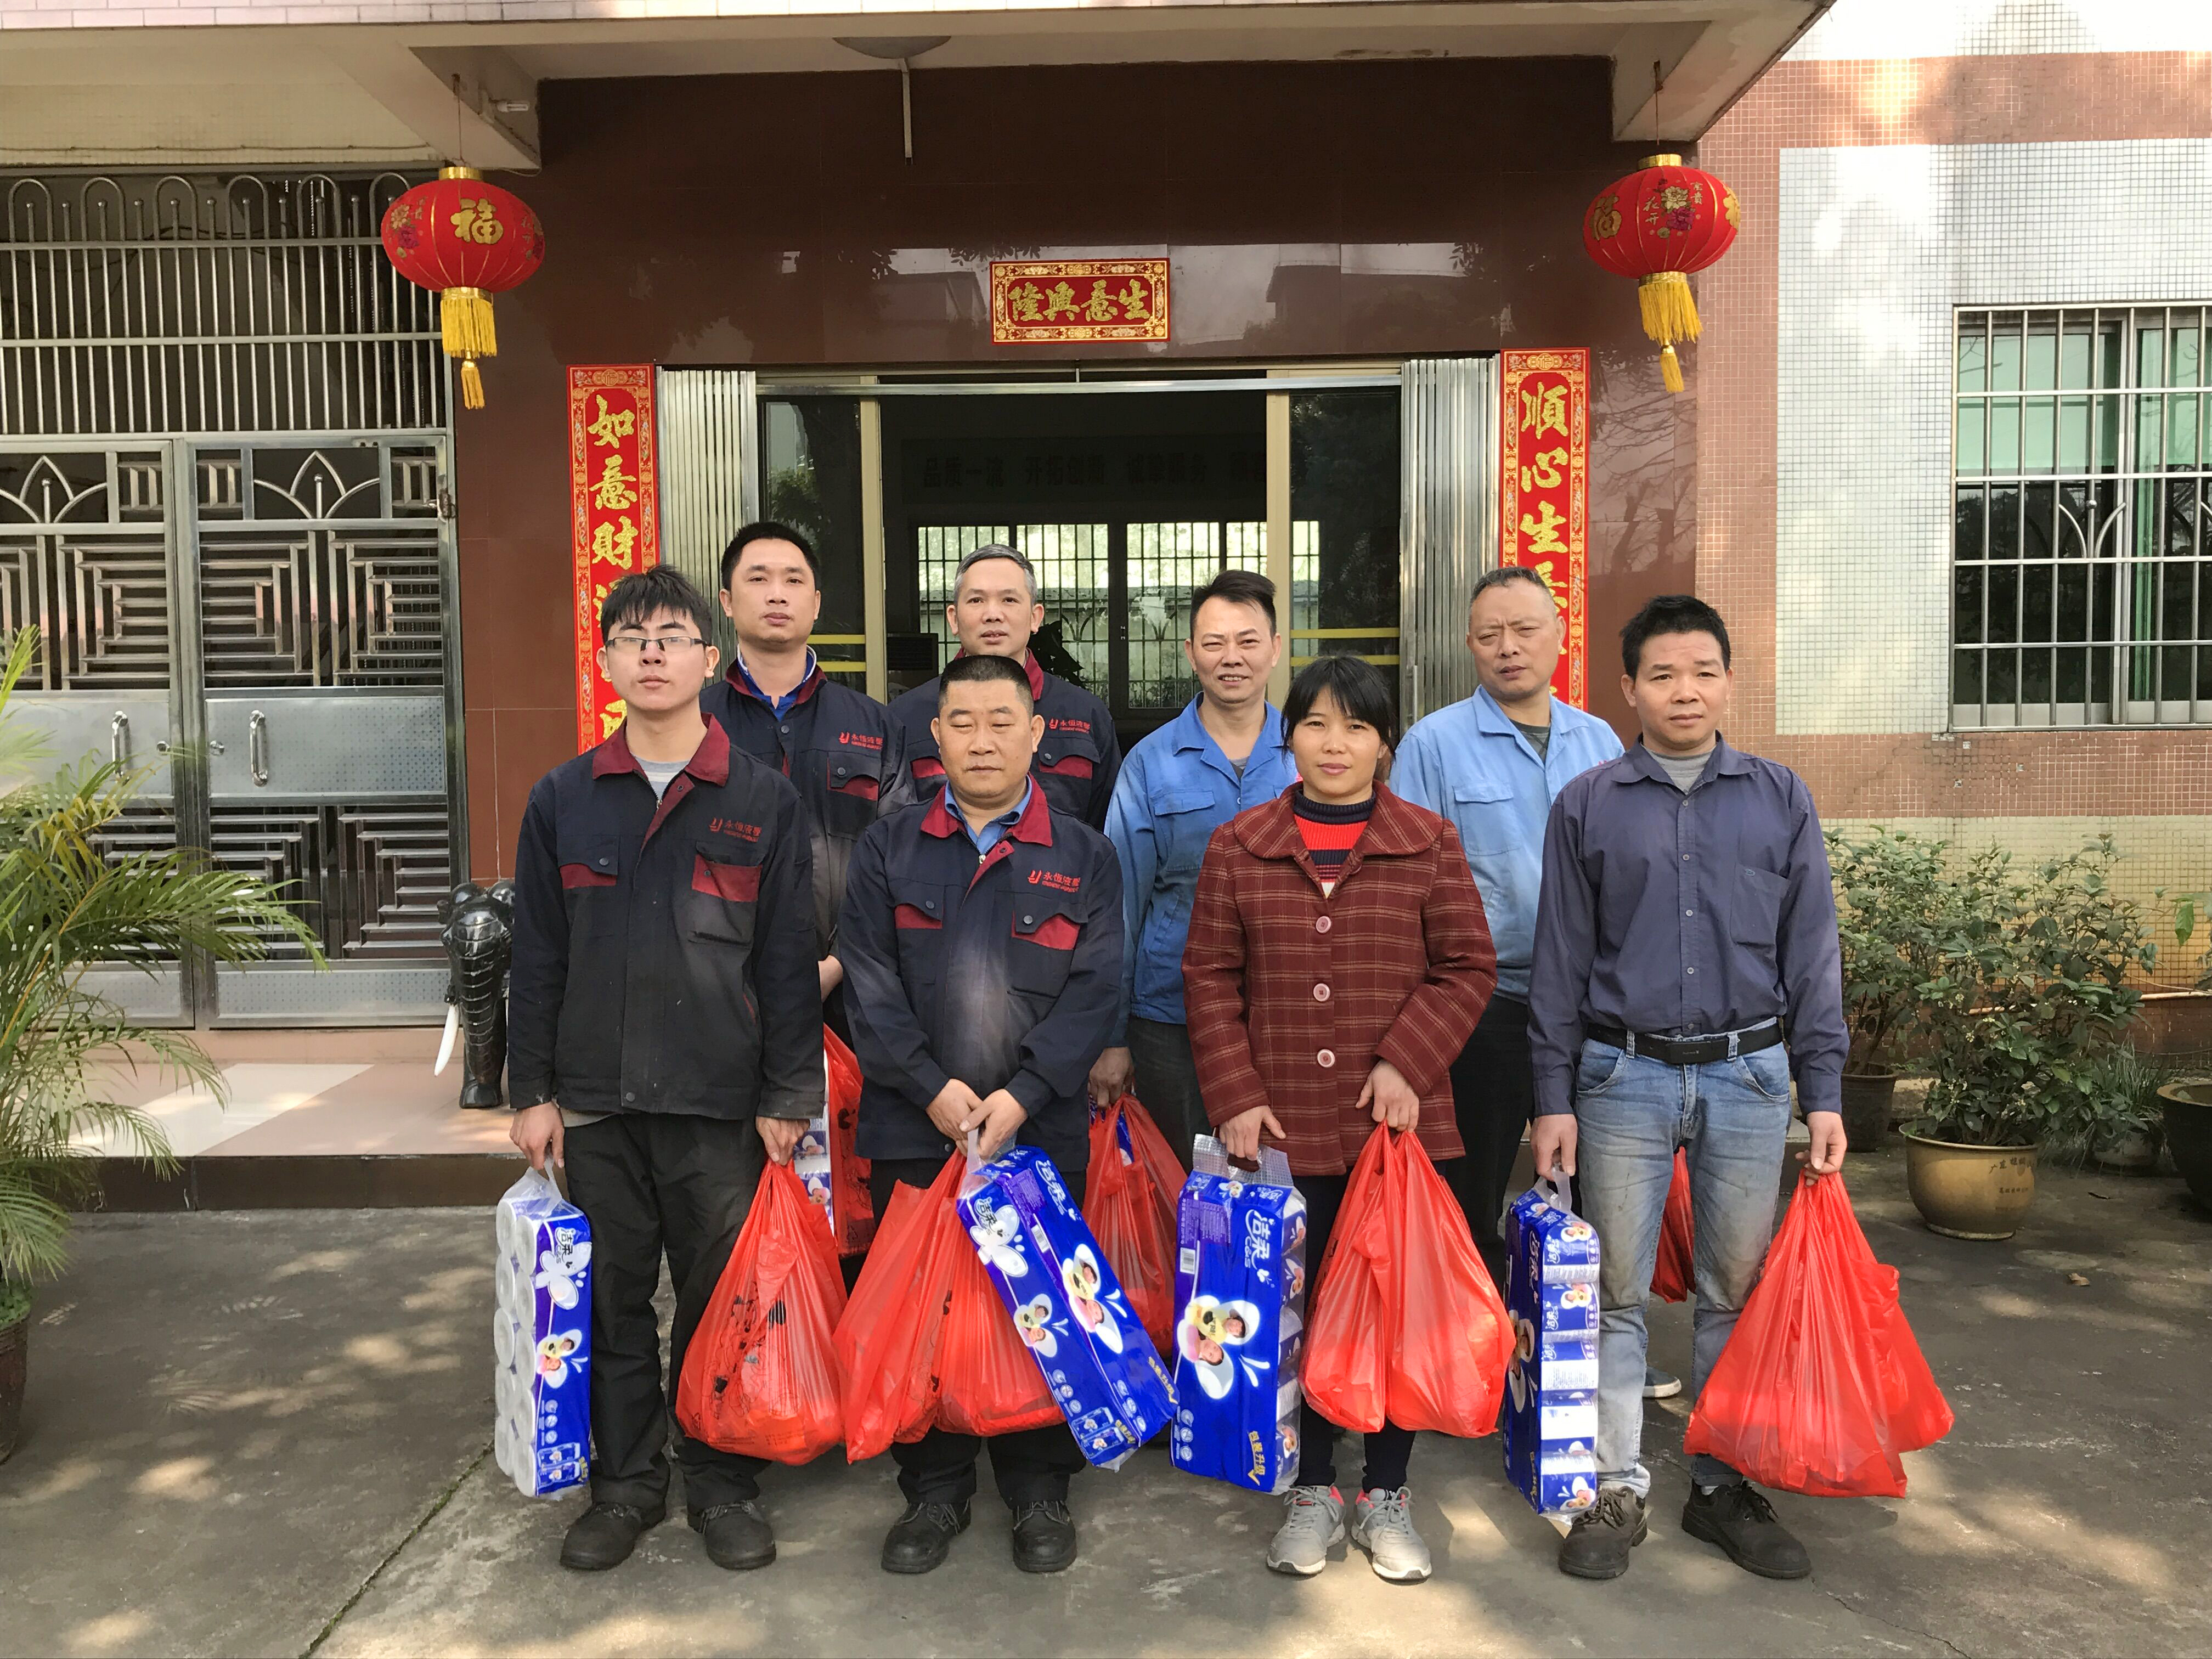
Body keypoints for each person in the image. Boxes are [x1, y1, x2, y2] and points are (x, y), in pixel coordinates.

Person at [506, 566, 823, 1575]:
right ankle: (628, 1485)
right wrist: (532, 1093)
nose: (652, 652)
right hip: (596, 1101)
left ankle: (720, 1479)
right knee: (612, 1300)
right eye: (632, 637)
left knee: (719, 1298)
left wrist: (789, 1094)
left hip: (719, 1103)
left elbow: (786, 961)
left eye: (672, 636)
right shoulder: (564, 798)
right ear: (605, 660)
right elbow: (537, 956)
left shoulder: (762, 799)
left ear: (706, 659)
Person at [1528, 594, 1848, 1585]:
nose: (1684, 690)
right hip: (1620, 1073)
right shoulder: (1587, 803)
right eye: (1661, 673)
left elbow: (1812, 951)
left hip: (1749, 1074)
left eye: (1703, 671)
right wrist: (1552, 1095)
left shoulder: (1779, 797)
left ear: (1728, 682)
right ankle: (1613, 1484)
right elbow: (1558, 960)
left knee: (1731, 1291)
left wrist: (1824, 1089)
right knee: (1614, 1290)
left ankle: (1721, 1483)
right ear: (1626, 688)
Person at [1182, 653, 1497, 1585]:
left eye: (1356, 726)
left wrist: (1408, 1061)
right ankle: (1313, 1488)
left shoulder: (1427, 841)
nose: (1335, 743)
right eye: (1316, 724)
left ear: (1383, 744)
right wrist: (1235, 1094)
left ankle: (1386, 1491)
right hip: (1282, 1123)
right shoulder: (1240, 845)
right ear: (1290, 738)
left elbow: (1467, 966)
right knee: (1304, 1305)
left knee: (1393, 1309)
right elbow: (1208, 977)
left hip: (1393, 1127)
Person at [838, 652, 1125, 1577]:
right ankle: (934, 1487)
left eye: (1003, 721)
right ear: (936, 736)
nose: (983, 740)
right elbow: (869, 982)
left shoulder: (1082, 854)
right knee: (923, 1314)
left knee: (1041, 1309)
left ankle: (1039, 1487)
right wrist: (928, 1086)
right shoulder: (888, 847)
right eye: (962, 722)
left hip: (1035, 1129)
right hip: (914, 1126)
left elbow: (1096, 987)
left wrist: (1025, 1092)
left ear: (1037, 732)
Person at [1391, 568, 1683, 1399]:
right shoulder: (1434, 745)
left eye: (1524, 629)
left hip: (1594, 1011)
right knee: (1473, 1189)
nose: (1508, 648)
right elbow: (1409, 884)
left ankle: (1595, 1355)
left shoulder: (1601, 742)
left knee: (1602, 1192)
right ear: (1470, 646)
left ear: (1561, 634)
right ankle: (1479, 1359)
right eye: (1490, 634)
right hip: (1485, 1006)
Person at [1088, 569, 1297, 1160]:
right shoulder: (1150, 763)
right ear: (1190, 652)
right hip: (1170, 1016)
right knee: (1183, 1182)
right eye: (1214, 643)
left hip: (1285, 1015)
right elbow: (1121, 904)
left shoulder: (1308, 753)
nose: (1232, 658)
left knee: (1280, 1184)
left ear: (1275, 648)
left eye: (1248, 641)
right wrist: (1113, 1036)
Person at [698, 521, 908, 1036]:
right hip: (716, 994)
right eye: (758, 579)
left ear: (815, 604)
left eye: (793, 581)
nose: (777, 594)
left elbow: (900, 857)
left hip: (853, 993)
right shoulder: (694, 724)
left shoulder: (874, 724)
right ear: (727, 602)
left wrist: (836, 965)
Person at [888, 543, 1121, 829]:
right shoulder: (905, 716)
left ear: (1035, 617)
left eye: (1009, 600)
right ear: (953, 618)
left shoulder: (1085, 714)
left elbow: (1105, 830)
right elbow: (893, 829)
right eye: (976, 600)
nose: (993, 614)